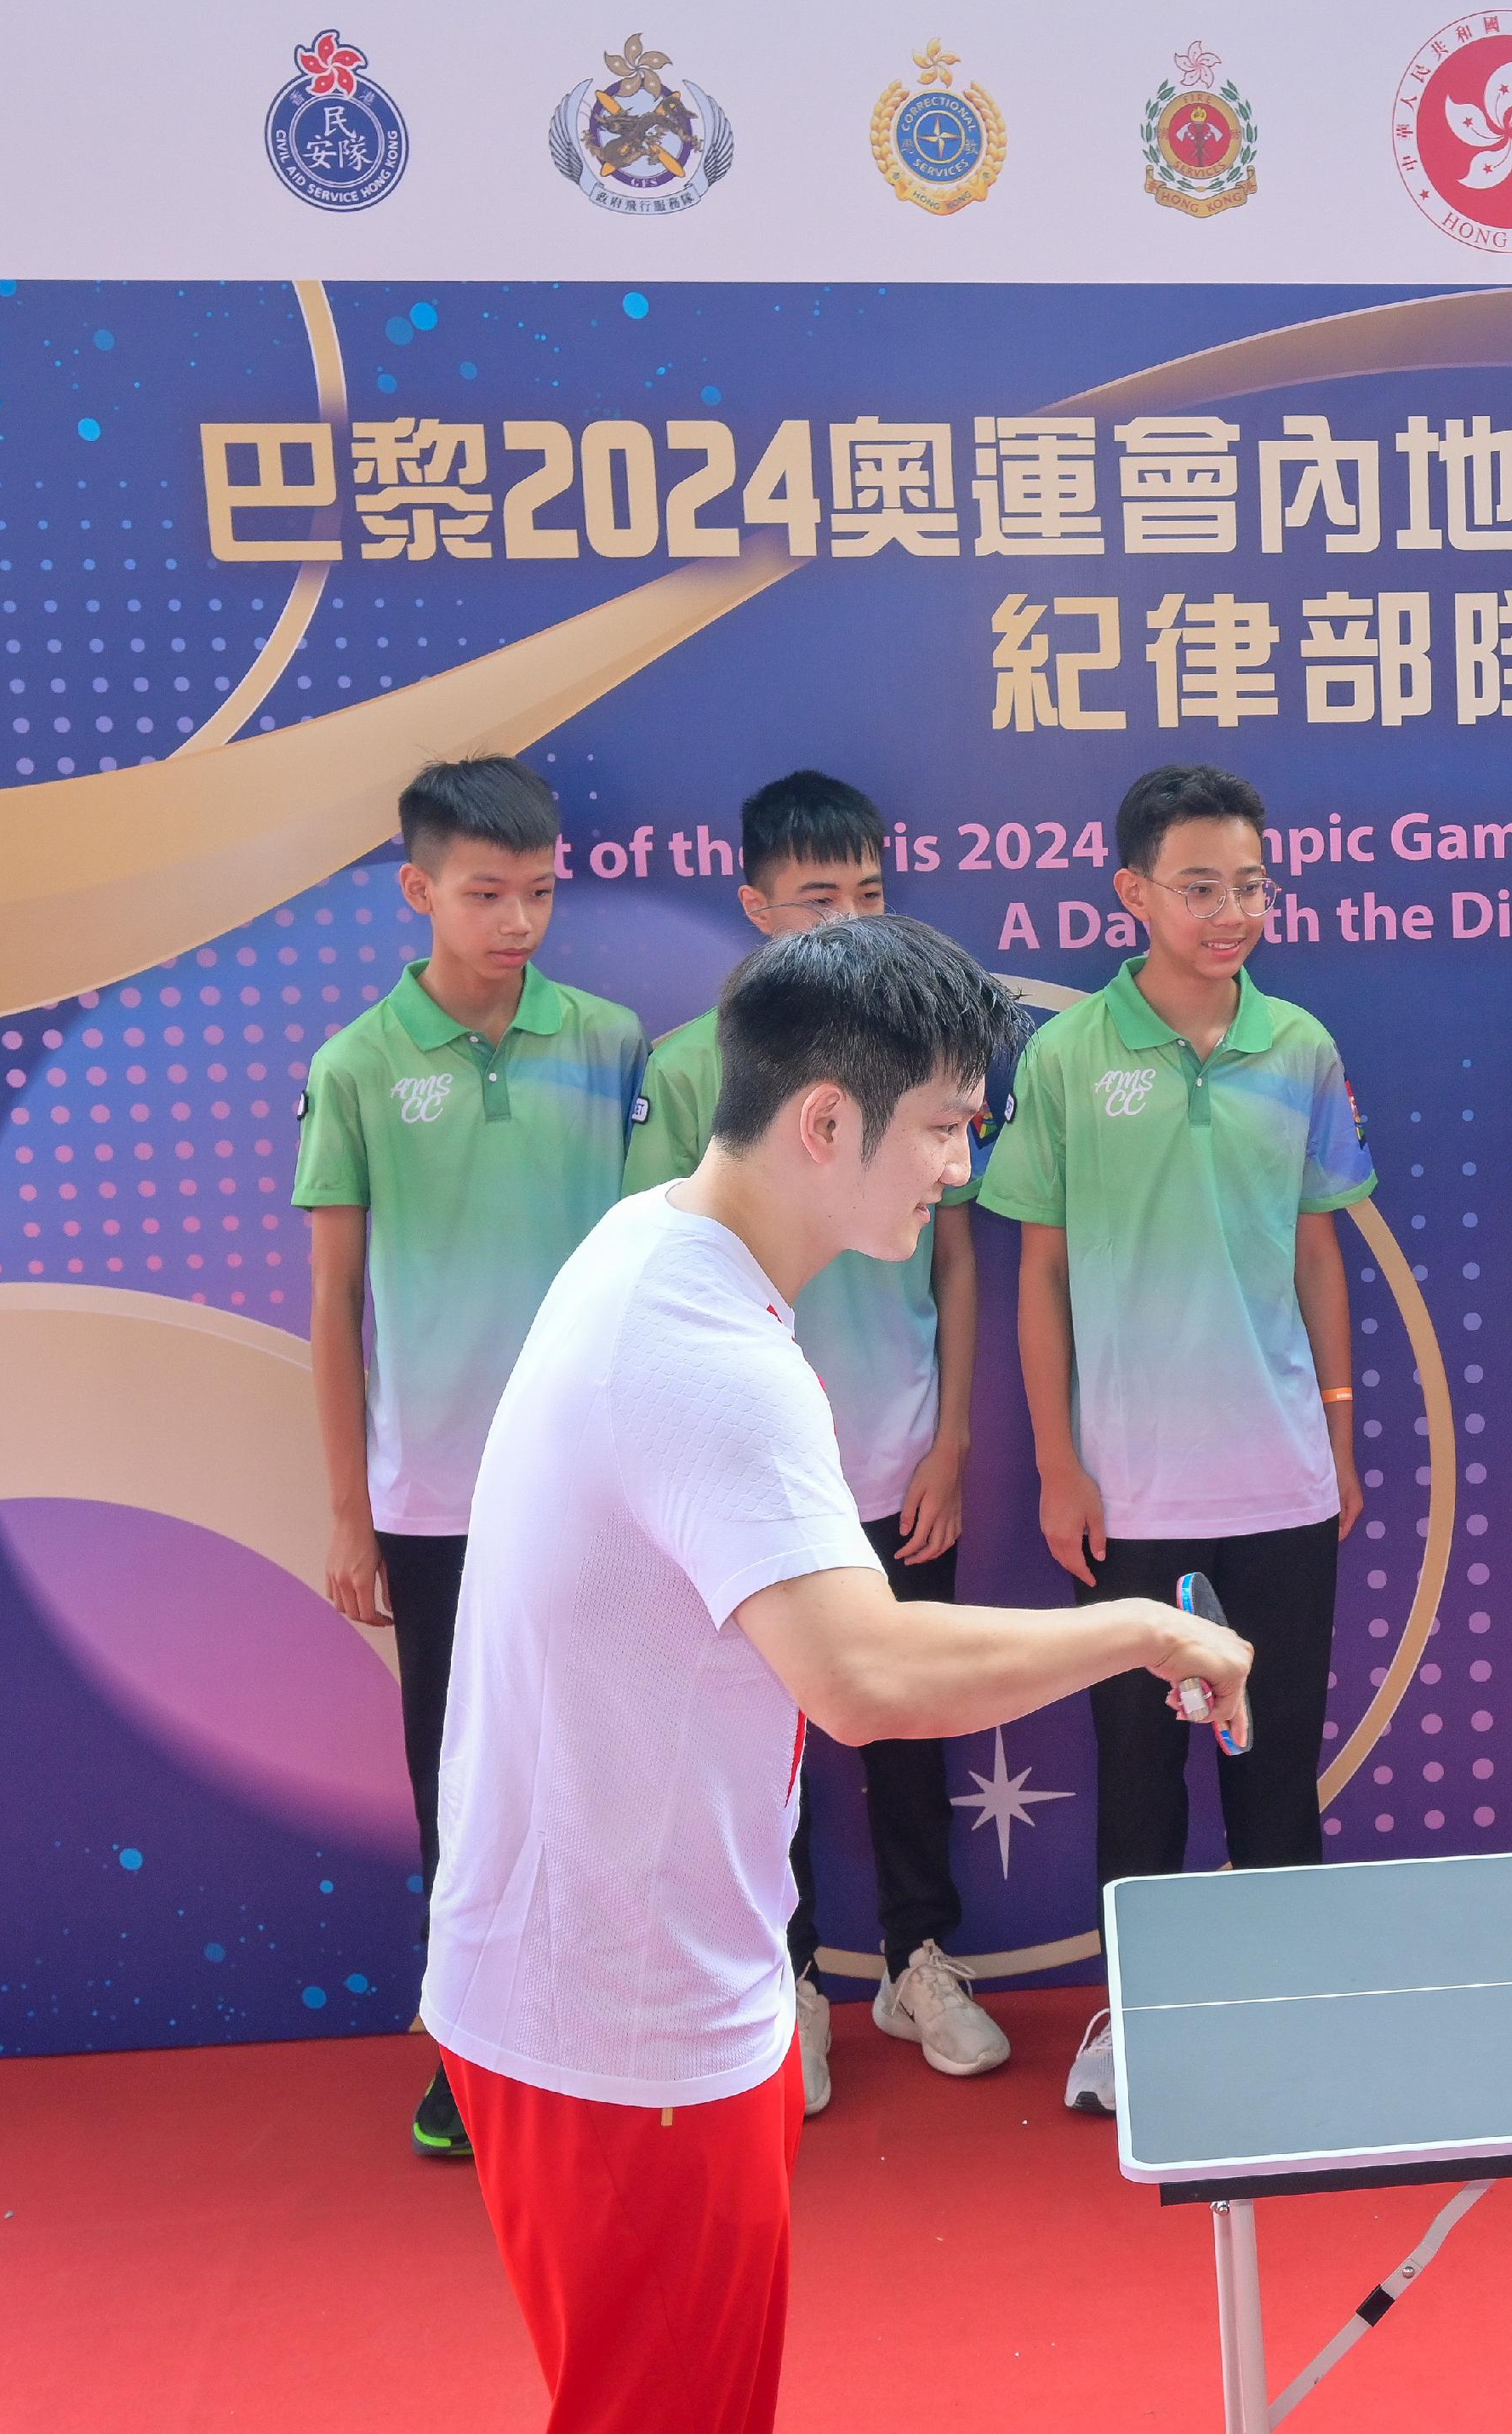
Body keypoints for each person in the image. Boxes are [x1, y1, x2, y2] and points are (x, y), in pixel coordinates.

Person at [423, 912, 1252, 2434]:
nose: (964, 1166)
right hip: (626, 2025)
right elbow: (861, 1676)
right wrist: (1146, 1629)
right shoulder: (706, 1357)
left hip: (608, 1989)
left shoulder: (651, 1245)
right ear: (825, 1119)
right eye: (943, 1126)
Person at [980, 763, 1372, 2117]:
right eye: (1199, 886)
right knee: (1138, 1776)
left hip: (1278, 1480)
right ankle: (1131, 2024)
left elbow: (1321, 1250)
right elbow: (1039, 1274)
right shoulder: (1068, 1055)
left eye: (1251, 885)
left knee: (1272, 1762)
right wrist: (1060, 1460)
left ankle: (1285, 2012)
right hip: (1131, 1490)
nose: (1231, 910)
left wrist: (1336, 1428)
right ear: (1132, 894)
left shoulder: (1300, 1047)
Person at [623, 771, 1001, 2111]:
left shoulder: (920, 1067)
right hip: (753, 1484)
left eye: (871, 896)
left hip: (899, 1461)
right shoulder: (688, 1072)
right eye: (817, 900)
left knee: (910, 1710)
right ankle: (786, 1981)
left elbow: (958, 1255)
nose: (848, 921)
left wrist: (950, 1437)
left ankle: (920, 1956)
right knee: (758, 1739)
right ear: (755, 908)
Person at [293, 755, 644, 2161]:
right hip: (437, 1498)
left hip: (603, 1483)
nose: (517, 921)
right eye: (486, 894)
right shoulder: (359, 1067)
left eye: (539, 892)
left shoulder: (614, 1043)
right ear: (418, 892)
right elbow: (333, 1308)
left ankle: (615, 2045)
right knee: (466, 1787)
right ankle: (469, 2060)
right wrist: (348, 1515)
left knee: (610, 1764)